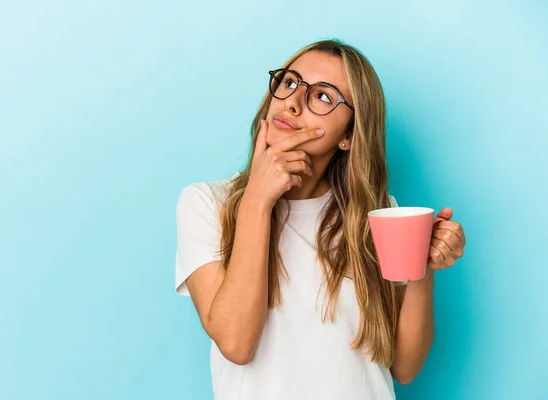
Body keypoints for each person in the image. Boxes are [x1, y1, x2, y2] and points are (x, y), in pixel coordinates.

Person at [174, 39, 467, 399]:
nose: (293, 103)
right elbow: (235, 343)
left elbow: (405, 367)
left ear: (348, 135)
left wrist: (424, 266)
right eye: (289, 83)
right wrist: (257, 200)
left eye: (323, 97)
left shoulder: (379, 215)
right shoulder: (206, 203)